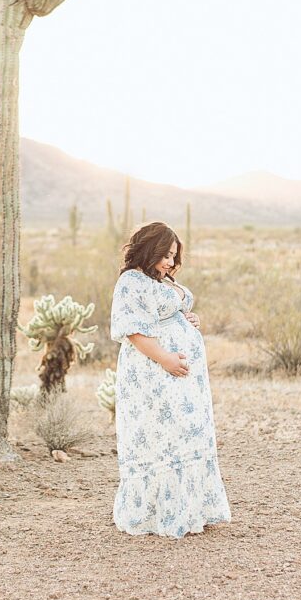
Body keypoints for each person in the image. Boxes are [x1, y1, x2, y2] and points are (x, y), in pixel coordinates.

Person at [110, 221, 232, 538]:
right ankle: (158, 514)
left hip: (181, 379)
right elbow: (134, 330)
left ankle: (193, 510)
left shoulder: (160, 280)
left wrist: (189, 319)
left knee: (185, 434)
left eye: (173, 256)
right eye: (165, 254)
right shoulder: (131, 282)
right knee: (164, 435)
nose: (169, 262)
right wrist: (166, 358)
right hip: (153, 375)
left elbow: (171, 310)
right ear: (148, 249)